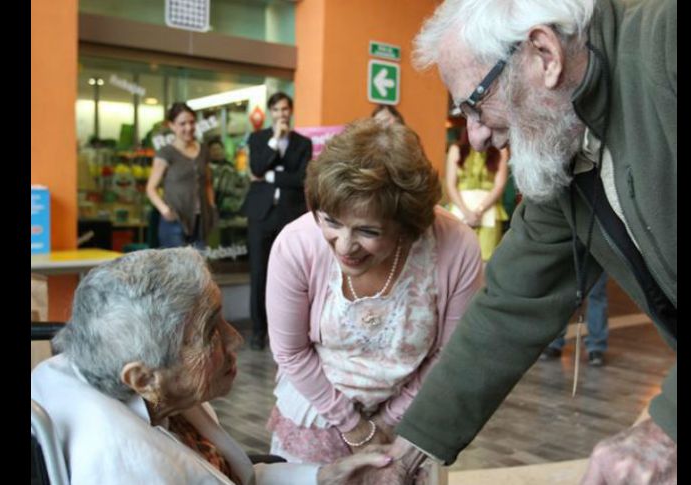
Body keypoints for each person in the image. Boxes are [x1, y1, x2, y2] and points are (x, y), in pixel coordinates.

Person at [361, 0, 677, 483]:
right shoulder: (566, 147)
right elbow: (510, 304)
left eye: (476, 104)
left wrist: (666, 430)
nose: (477, 137)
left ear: (544, 55)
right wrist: (403, 459)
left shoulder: (667, 43)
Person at [30, 248, 394, 485]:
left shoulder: (142, 392)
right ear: (143, 378)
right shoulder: (131, 470)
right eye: (211, 331)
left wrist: (326, 476)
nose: (235, 338)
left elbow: (234, 476)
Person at [264, 118, 483, 465]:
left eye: (367, 230)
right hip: (318, 413)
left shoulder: (456, 247)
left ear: (408, 226)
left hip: (413, 419)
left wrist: (388, 421)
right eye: (331, 221)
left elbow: (448, 355)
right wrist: (355, 427)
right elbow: (290, 352)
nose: (345, 246)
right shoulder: (297, 244)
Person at [240, 92, 312, 350]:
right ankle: (258, 332)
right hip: (261, 214)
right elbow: (257, 168)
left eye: (286, 109)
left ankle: (285, 331)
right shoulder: (259, 139)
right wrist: (275, 142)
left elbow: (301, 178)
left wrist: (271, 177)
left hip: (289, 215)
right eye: (277, 109)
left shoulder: (302, 143)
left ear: (290, 112)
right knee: (259, 273)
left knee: (290, 274)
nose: (282, 114)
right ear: (270, 112)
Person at [146, 102, 218, 249]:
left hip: (201, 221)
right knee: (176, 269)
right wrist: (165, 210)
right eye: (182, 123)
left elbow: (208, 182)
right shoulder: (166, 153)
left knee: (199, 267)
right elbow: (151, 188)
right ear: (172, 126)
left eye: (192, 122)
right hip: (175, 220)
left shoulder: (203, 150)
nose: (188, 128)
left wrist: (212, 206)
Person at [445, 127, 510, 270]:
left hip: (488, 213)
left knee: (485, 262)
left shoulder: (501, 150)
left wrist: (479, 211)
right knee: (455, 261)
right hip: (459, 212)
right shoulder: (456, 149)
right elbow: (450, 184)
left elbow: (499, 186)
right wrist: (466, 212)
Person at [541, 271, 610, 366]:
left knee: (597, 293)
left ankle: (596, 347)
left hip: (599, 257)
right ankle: (554, 342)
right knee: (561, 291)